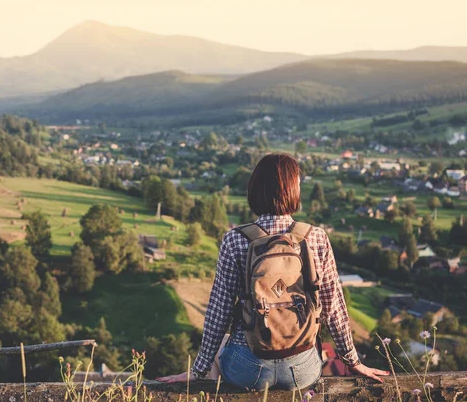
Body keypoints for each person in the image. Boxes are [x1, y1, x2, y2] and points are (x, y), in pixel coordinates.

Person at [158, 153, 388, 390]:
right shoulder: (316, 237)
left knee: (222, 347)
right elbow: (333, 309)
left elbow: (220, 311)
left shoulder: (235, 240)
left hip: (250, 368)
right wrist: (352, 361)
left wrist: (198, 369)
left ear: (255, 190)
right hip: (302, 369)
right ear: (293, 190)